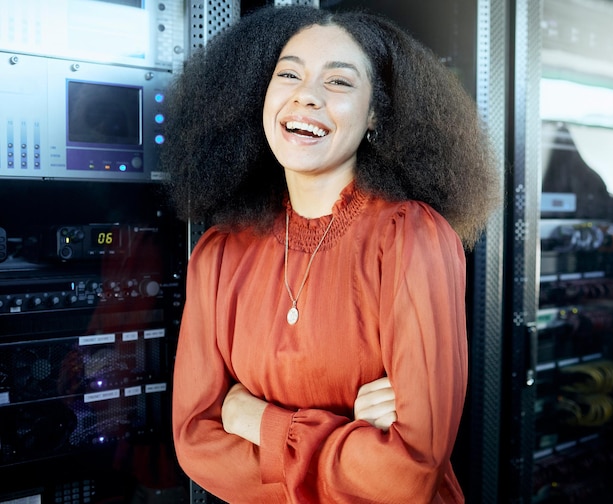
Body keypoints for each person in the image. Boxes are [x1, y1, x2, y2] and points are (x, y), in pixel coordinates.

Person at [161, 5, 500, 503]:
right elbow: (196, 444)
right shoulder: (219, 253)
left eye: (339, 83)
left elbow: (407, 475)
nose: (307, 96)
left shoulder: (411, 238)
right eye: (289, 74)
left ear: (376, 114)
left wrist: (257, 421)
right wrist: (351, 440)